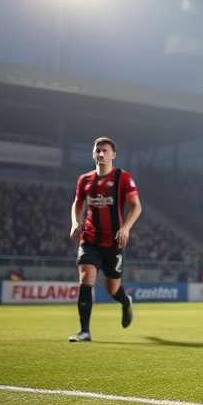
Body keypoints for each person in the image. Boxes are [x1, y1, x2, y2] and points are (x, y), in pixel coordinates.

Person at [68, 137, 141, 342]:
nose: (100, 154)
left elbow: (136, 206)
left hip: (114, 242)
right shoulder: (84, 179)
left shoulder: (122, 177)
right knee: (85, 278)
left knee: (112, 289)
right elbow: (77, 202)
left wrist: (126, 228)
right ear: (93, 154)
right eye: (97, 150)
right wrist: (75, 223)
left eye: (105, 151)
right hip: (90, 238)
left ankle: (125, 302)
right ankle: (84, 331)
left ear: (113, 155)